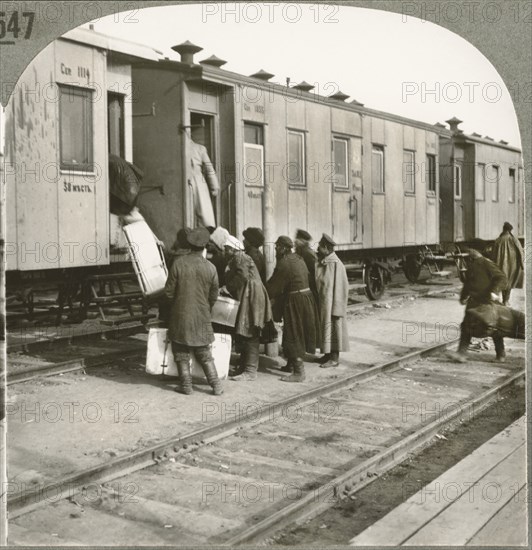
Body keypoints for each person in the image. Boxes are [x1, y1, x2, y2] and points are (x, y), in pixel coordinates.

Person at [164, 227, 223, 395]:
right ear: (205, 246)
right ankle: (216, 385)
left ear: (188, 245)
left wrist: (177, 305)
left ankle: (186, 385)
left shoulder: (178, 264)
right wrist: (204, 307)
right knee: (204, 351)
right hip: (202, 315)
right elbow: (214, 295)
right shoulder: (211, 267)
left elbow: (168, 292)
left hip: (181, 315)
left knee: (180, 351)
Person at [266, 236, 319, 382]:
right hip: (305, 298)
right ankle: (290, 364)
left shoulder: (284, 263)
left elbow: (274, 286)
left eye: (277, 246)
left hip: (296, 301)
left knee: (293, 332)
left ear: (283, 248)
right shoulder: (298, 258)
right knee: (298, 331)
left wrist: (263, 291)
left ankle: (299, 372)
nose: (275, 249)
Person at [223, 235, 273, 381]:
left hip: (252, 295)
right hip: (248, 295)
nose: (225, 251)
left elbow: (242, 277)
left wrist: (227, 288)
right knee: (244, 331)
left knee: (250, 330)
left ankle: (250, 371)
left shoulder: (241, 257)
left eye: (226, 249)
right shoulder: (237, 258)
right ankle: (245, 367)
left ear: (233, 249)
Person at [450, 248, 508, 363]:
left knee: (493, 327)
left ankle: (500, 354)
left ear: (472, 254)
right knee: (466, 326)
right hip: (474, 301)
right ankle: (461, 353)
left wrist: (494, 291)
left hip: (488, 301)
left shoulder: (486, 263)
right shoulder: (471, 265)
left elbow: (502, 278)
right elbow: (468, 284)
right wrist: (463, 297)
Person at [315, 233, 350, 368]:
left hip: (333, 305)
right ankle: (327, 355)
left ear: (325, 247)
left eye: (319, 247)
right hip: (325, 304)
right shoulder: (326, 262)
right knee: (326, 329)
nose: (317, 249)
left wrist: (337, 307)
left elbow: (342, 287)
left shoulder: (336, 264)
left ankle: (334, 359)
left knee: (335, 329)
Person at [188, 139, 219, 228]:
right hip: (198, 182)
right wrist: (214, 187)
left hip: (187, 181)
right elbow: (209, 169)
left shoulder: (177, 147)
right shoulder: (199, 148)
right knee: (203, 212)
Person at [492, 222, 524, 305]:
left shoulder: (498, 240)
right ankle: (506, 300)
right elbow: (521, 252)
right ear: (510, 230)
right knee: (509, 281)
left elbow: (493, 255)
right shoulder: (514, 239)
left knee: (502, 280)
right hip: (512, 265)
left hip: (500, 264)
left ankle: (503, 299)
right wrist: (522, 264)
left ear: (503, 229)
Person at [294, 229, 318, 301]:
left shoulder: (307, 253)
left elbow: (313, 272)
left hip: (309, 286)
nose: (295, 241)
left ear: (302, 241)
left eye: (297, 239)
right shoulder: (301, 250)